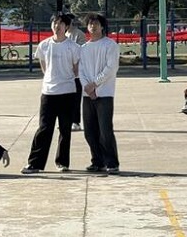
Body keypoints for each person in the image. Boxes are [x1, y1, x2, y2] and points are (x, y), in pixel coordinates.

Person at [22, 14, 81, 174]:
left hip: (67, 92)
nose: (57, 26)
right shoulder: (44, 45)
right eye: (55, 23)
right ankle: (35, 163)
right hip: (48, 92)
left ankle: (62, 162)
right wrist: (51, 78)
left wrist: (64, 78)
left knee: (65, 129)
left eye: (61, 24)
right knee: (44, 128)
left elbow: (76, 69)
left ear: (66, 27)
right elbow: (44, 66)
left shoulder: (73, 47)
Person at [79, 13, 120, 174]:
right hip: (87, 95)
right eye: (90, 24)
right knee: (89, 131)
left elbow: (111, 68)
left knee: (105, 131)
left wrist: (94, 84)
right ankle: (97, 161)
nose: (93, 26)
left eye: (96, 23)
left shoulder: (110, 45)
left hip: (104, 93)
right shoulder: (84, 48)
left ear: (102, 26)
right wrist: (87, 87)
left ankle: (112, 162)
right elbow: (81, 70)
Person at [66, 15, 87, 131]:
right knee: (66, 99)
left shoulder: (79, 34)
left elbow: (82, 51)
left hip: (76, 73)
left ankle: (75, 122)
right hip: (65, 73)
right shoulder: (64, 35)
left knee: (76, 99)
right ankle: (67, 120)